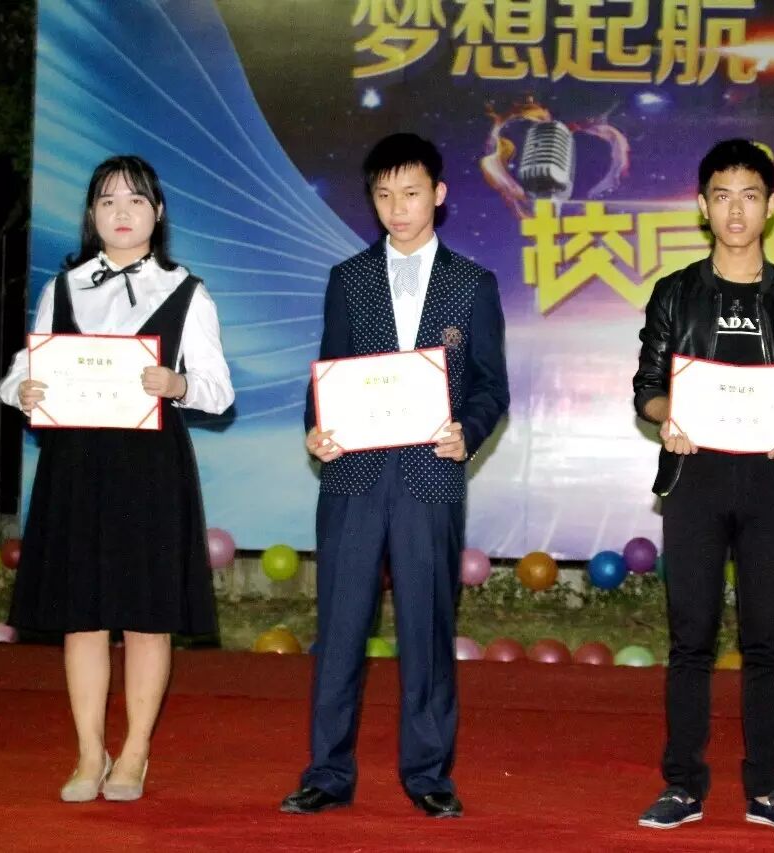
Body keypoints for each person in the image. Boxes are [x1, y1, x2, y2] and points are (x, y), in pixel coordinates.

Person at [280, 133, 509, 818]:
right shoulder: (347, 278)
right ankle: (327, 771)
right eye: (384, 195)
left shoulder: (473, 284)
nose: (397, 208)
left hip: (430, 477)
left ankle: (429, 773)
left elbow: (491, 386)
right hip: (352, 478)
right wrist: (317, 427)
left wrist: (467, 431)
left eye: (410, 193)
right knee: (339, 629)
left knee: (427, 628)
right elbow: (327, 373)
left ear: (438, 194)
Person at [0, 154, 234, 802]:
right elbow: (21, 373)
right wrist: (25, 391)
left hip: (151, 468)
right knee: (82, 617)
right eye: (107, 201)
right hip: (76, 466)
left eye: (134, 201)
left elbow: (218, 391)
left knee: (148, 619)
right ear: (92, 215)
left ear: (157, 213)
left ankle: (134, 752)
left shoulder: (188, 291)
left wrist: (178, 384)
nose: (121, 213)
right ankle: (87, 752)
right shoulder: (63, 288)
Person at [631, 139, 774, 833]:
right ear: (702, 206)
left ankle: (767, 787)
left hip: (771, 479)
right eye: (723, 196)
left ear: (771, 207)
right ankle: (682, 784)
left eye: (750, 196)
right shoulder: (675, 292)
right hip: (695, 477)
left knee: (766, 638)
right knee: (690, 636)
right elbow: (648, 387)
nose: (736, 210)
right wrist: (668, 414)